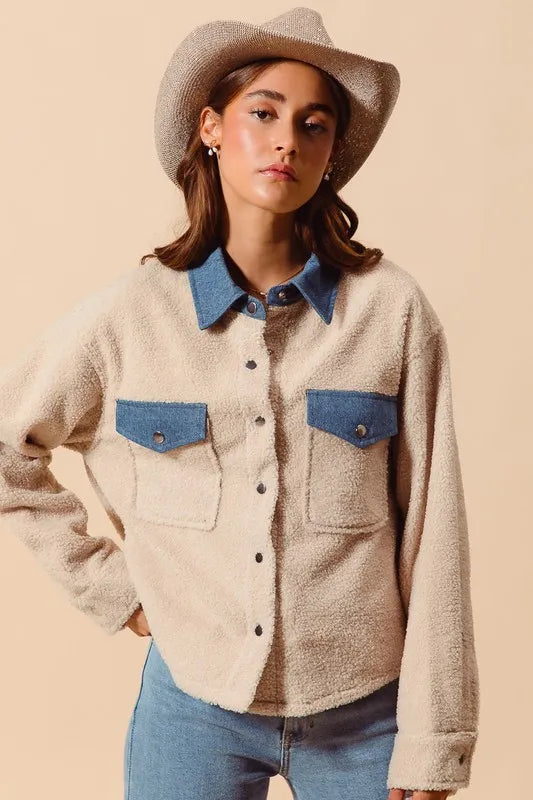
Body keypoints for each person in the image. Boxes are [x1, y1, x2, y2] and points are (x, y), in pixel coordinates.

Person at [0, 7, 479, 800]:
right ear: (211, 128)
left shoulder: (390, 311)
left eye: (313, 125)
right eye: (263, 113)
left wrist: (435, 741)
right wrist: (115, 592)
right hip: (190, 707)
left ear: (330, 154)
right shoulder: (127, 319)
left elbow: (435, 532)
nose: (287, 140)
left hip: (367, 714)